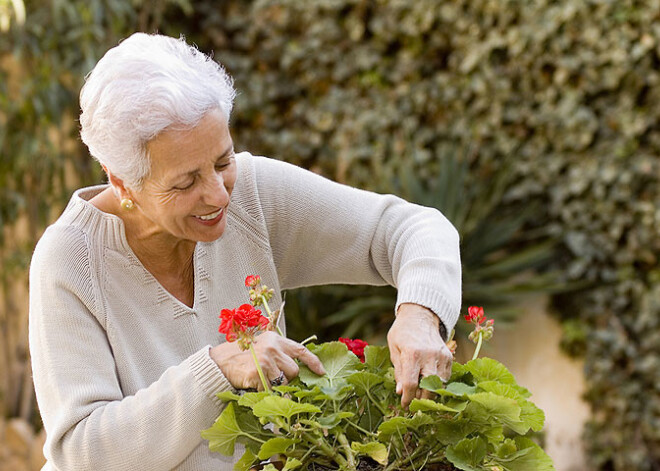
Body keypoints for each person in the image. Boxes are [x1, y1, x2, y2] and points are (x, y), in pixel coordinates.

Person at [28, 33, 461, 470]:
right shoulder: (69, 261)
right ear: (122, 182)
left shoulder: (253, 196)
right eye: (185, 183)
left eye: (222, 161)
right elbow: (82, 451)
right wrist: (214, 369)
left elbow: (412, 227)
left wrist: (420, 316)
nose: (218, 196)